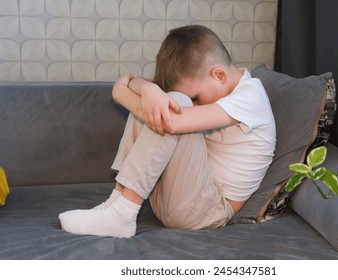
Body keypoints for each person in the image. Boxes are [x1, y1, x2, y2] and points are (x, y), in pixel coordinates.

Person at [59, 25, 276, 238]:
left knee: (168, 107)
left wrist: (120, 93)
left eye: (196, 97)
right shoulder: (216, 83)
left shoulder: (251, 97)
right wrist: (149, 89)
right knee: (157, 103)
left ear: (219, 75)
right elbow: (136, 83)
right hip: (169, 197)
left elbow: (169, 122)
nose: (194, 103)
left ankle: (122, 213)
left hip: (206, 211)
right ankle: (116, 202)